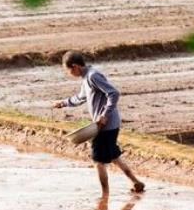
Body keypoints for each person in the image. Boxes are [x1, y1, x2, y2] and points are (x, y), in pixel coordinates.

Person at [53, 50, 145, 195]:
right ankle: (136, 182)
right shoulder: (86, 78)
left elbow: (114, 93)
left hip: (106, 125)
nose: (69, 74)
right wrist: (63, 103)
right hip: (107, 124)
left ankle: (104, 196)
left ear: (75, 66)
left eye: (68, 70)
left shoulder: (93, 76)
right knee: (114, 156)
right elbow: (81, 97)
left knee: (98, 161)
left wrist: (104, 115)